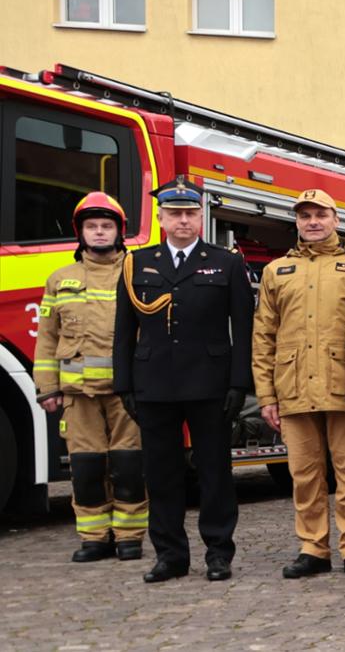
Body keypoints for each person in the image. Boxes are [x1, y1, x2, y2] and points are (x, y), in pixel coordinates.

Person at [113, 176, 252, 583]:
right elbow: (123, 331)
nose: (184, 221)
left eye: (191, 213)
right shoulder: (136, 262)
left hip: (210, 383)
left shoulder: (227, 262)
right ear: (161, 218)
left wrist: (238, 384)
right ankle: (170, 554)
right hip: (153, 383)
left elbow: (242, 330)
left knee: (214, 472)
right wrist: (125, 386)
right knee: (161, 474)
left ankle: (218, 552)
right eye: (175, 214)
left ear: (201, 217)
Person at [253, 189, 345, 579]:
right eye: (305, 216)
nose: (313, 222)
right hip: (294, 389)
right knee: (304, 474)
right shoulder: (277, 271)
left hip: (343, 387)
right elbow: (264, 337)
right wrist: (266, 394)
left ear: (336, 218)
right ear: (297, 222)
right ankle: (313, 548)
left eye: (320, 214)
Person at [36, 192, 146, 563]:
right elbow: (47, 337)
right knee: (86, 469)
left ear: (120, 232)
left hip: (125, 393)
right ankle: (94, 538)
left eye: (106, 226)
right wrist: (47, 388)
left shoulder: (136, 274)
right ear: (80, 233)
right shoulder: (60, 279)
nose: (99, 232)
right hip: (78, 395)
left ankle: (130, 536)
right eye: (92, 226)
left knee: (128, 467)